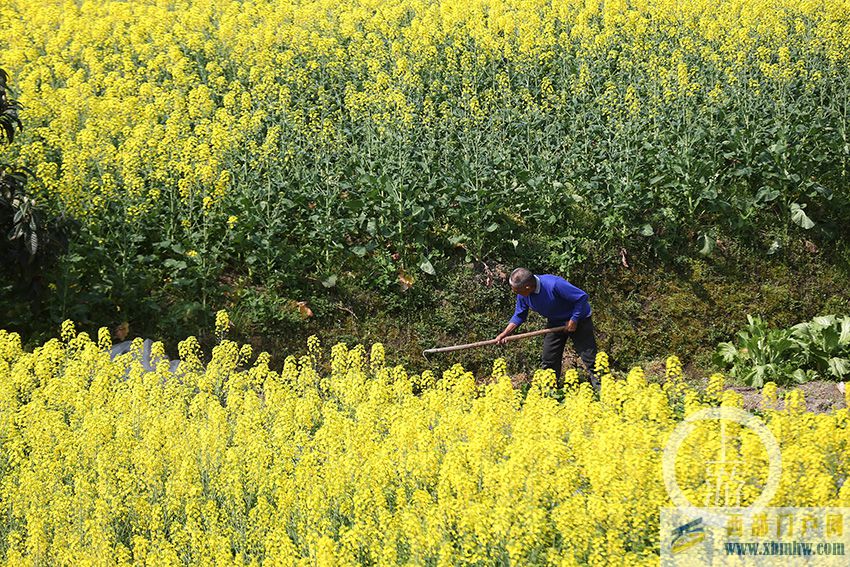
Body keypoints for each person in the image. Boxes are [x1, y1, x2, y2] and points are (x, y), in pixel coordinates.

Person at [495, 267, 599, 389]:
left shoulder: (554, 284)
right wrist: (505, 333)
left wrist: (574, 319)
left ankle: (603, 391)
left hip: (579, 320)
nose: (515, 293)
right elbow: (520, 314)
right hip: (555, 323)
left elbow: (581, 297)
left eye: (516, 291)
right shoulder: (523, 293)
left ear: (527, 287)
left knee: (590, 358)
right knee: (549, 359)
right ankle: (550, 394)